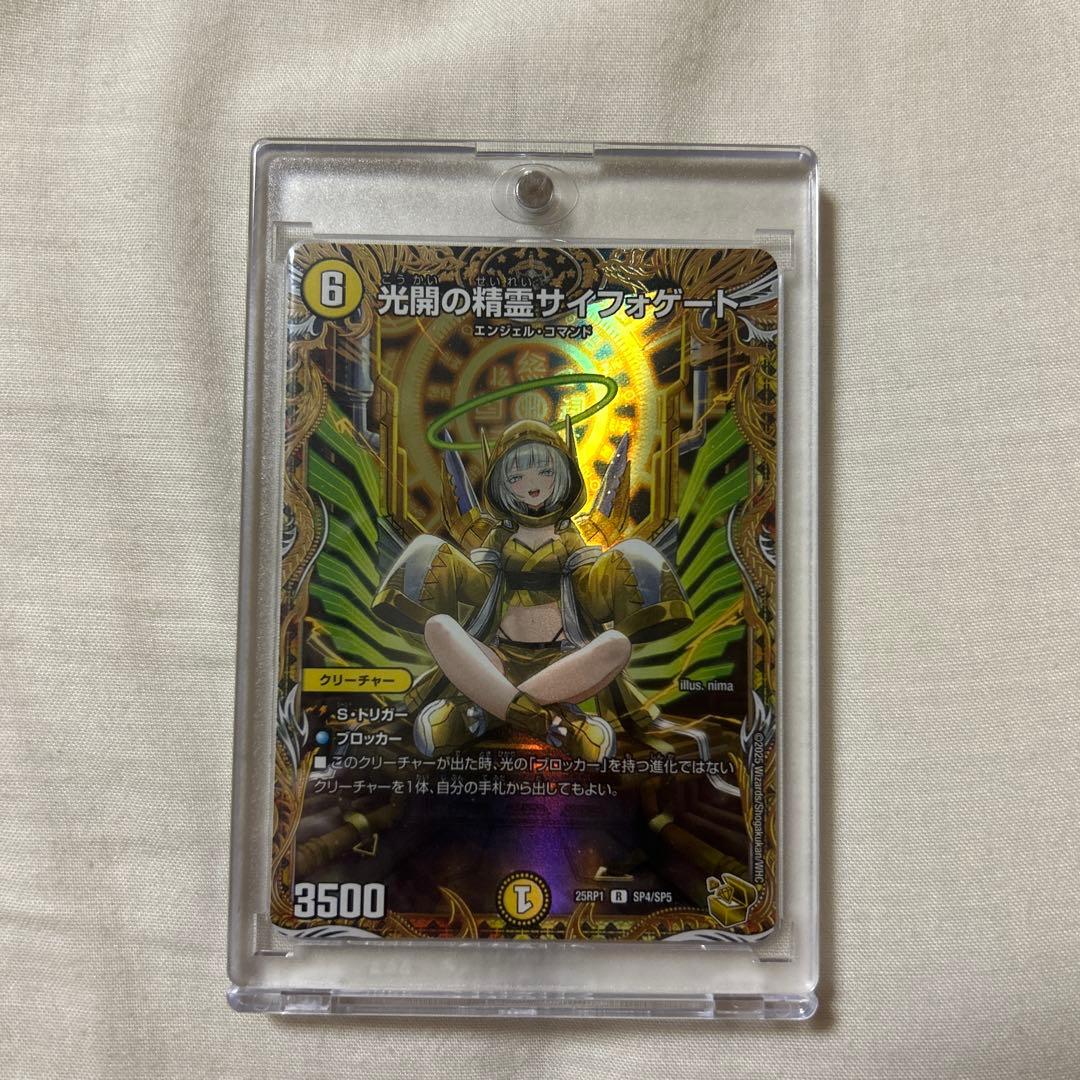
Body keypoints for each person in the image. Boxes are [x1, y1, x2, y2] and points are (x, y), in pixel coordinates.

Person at [372, 419, 692, 762]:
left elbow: (593, 598)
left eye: (545, 472)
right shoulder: (496, 538)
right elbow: (479, 591)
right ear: (501, 484)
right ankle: (557, 723)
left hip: (563, 662)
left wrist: (613, 571)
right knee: (439, 627)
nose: (532, 485)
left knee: (616, 644)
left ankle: (486, 712)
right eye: (516, 478)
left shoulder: (571, 538)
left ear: (564, 474)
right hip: (496, 658)